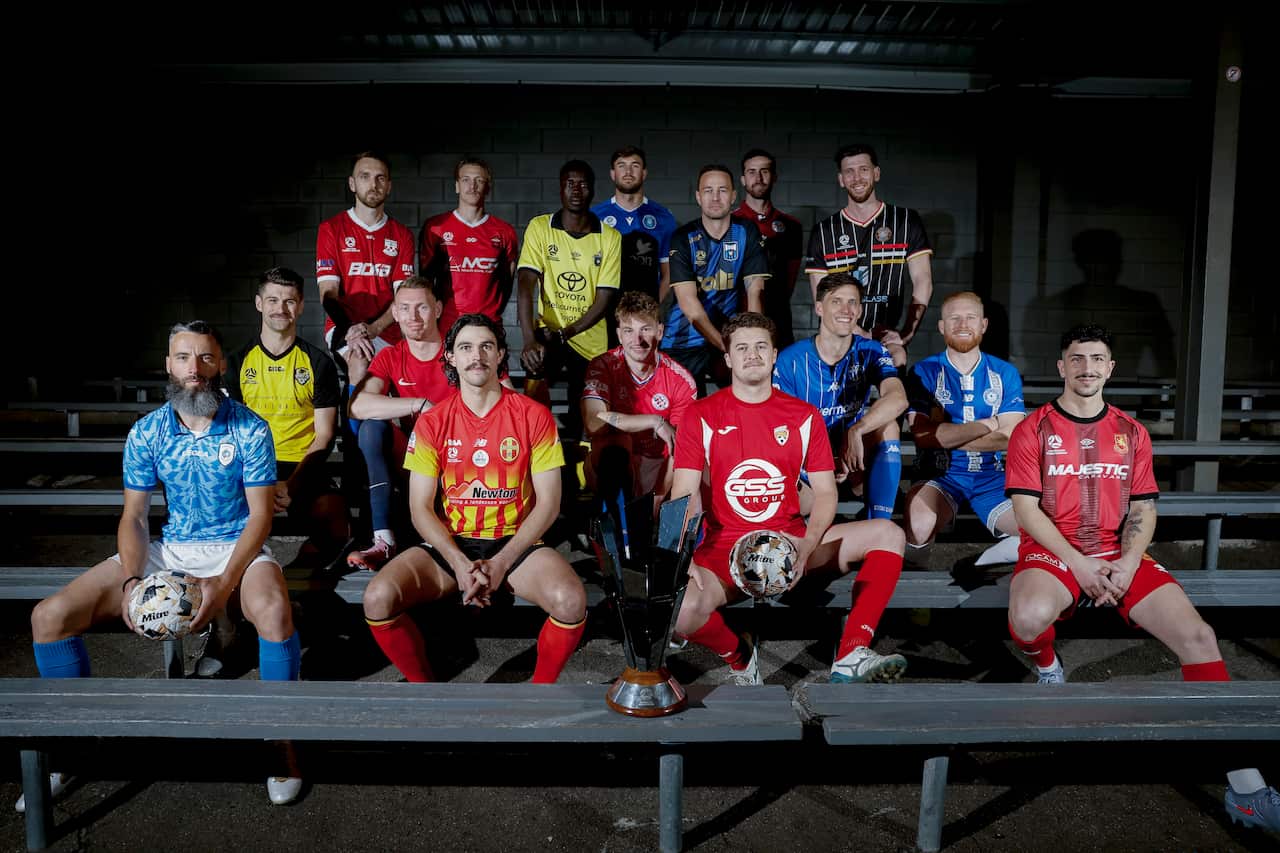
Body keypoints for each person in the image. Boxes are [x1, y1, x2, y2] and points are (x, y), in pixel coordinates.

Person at [1005, 323, 1277, 831]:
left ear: (1111, 368)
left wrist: (1128, 563)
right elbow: (1026, 510)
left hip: (1119, 551)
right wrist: (1081, 566)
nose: (1088, 367)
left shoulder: (1132, 432)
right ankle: (1048, 666)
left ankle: (1247, 789)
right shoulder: (1033, 428)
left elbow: (1145, 509)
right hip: (1056, 552)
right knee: (1027, 618)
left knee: (1199, 637)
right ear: (1062, 367)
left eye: (1098, 359)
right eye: (1077, 358)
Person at [22, 321, 302, 808]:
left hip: (236, 544)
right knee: (49, 617)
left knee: (275, 615)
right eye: (183, 358)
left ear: (221, 364)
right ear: (167, 366)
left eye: (206, 358)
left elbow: (260, 516)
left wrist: (221, 585)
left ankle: (281, 747)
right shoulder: (147, 431)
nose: (194, 370)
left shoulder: (250, 427)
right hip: (168, 548)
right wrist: (133, 580)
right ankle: (73, 748)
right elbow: (133, 516)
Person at [670, 312, 908, 685]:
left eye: (761, 346)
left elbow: (826, 494)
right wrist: (680, 557)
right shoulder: (700, 415)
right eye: (742, 348)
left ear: (775, 354)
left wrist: (806, 544)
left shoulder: (802, 415)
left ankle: (851, 652)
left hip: (792, 539)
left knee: (889, 534)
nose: (752, 355)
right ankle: (740, 656)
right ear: (728, 358)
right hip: (725, 547)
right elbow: (682, 496)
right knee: (682, 612)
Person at [361, 314, 587, 684]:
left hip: (514, 543)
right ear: (450, 357)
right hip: (453, 543)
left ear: (501, 354)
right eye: (465, 347)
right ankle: (424, 690)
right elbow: (419, 508)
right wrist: (459, 561)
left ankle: (539, 691)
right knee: (377, 597)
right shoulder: (433, 421)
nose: (476, 356)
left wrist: (500, 563)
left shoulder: (534, 415)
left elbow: (549, 505)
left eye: (486, 346)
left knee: (571, 601)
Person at [226, 267, 347, 569]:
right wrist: (260, 483)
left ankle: (299, 578)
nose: (281, 309)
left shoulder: (318, 363)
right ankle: (240, 581)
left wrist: (290, 487)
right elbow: (231, 431)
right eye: (272, 300)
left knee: (333, 517)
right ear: (258, 303)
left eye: (289, 301)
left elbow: (324, 435)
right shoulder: (237, 361)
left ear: (301, 306)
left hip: (303, 463)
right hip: (253, 463)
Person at [902, 292, 1025, 563]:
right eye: (954, 318)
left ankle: (983, 564)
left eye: (970, 318)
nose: (962, 324)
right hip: (939, 475)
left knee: (1039, 531)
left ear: (983, 325)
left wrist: (946, 435)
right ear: (942, 326)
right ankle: (916, 600)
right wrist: (987, 424)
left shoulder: (1005, 373)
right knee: (919, 526)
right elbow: (924, 436)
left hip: (991, 477)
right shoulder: (924, 371)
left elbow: (1008, 437)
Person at [773, 273, 907, 521]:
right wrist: (821, 461)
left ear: (859, 311)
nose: (846, 310)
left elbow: (898, 398)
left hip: (852, 453)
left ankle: (876, 526)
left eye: (853, 302)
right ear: (819, 308)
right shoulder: (790, 360)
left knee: (888, 427)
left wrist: (857, 429)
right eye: (837, 302)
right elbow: (781, 428)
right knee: (802, 507)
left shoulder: (871, 350)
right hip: (806, 459)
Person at [346, 277, 456, 571]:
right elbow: (357, 406)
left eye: (422, 307)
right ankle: (384, 539)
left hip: (457, 456)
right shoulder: (391, 356)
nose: (413, 317)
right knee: (372, 428)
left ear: (438, 309)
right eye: (405, 308)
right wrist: (417, 404)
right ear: (394, 313)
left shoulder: (457, 352)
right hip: (413, 457)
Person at [517, 159, 622, 438]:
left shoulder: (609, 237)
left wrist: (567, 333)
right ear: (560, 188)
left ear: (593, 190)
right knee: (532, 398)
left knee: (586, 420)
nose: (576, 190)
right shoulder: (540, 227)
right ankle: (535, 452)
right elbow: (525, 285)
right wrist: (529, 339)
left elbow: (605, 298)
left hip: (588, 340)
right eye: (570, 184)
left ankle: (584, 476)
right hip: (549, 334)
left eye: (583, 184)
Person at [805, 143, 933, 367]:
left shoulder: (905, 220)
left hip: (887, 335)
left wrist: (906, 333)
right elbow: (820, 293)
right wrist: (858, 332)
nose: (857, 177)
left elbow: (923, 281)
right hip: (839, 336)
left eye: (864, 169)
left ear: (876, 173)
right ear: (841, 179)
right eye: (849, 171)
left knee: (897, 360)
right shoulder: (824, 231)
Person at [661, 164, 769, 394]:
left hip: (728, 332)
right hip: (683, 338)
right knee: (686, 412)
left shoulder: (747, 231)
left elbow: (755, 290)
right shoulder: (683, 238)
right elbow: (690, 306)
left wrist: (750, 339)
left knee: (745, 398)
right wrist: (725, 345)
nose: (715, 197)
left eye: (722, 190)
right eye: (708, 190)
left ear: (733, 196)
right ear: (698, 197)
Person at [581, 291, 697, 501]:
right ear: (619, 335)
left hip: (658, 466)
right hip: (612, 462)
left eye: (645, 329)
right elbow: (593, 423)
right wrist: (654, 421)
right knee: (616, 447)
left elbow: (681, 449)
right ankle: (612, 524)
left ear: (660, 332)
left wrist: (657, 500)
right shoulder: (603, 365)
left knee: (685, 448)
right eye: (628, 330)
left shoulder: (681, 380)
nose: (637, 340)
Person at [315, 151, 416, 388]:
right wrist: (352, 329)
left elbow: (404, 298)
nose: (373, 184)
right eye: (365, 176)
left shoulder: (401, 235)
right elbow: (328, 293)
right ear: (352, 183)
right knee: (359, 362)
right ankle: (351, 422)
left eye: (380, 178)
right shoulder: (332, 229)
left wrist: (374, 328)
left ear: (389, 186)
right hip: (343, 326)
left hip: (385, 328)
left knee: (391, 383)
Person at [419, 157, 519, 335]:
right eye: (465, 180)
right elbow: (426, 280)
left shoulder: (504, 232)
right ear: (456, 186)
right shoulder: (436, 227)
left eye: (479, 180)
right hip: (447, 324)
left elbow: (507, 283)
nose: (472, 186)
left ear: (488, 187)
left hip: (489, 325)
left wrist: (492, 311)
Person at [590, 145, 678, 300]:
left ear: (644, 173)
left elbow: (668, 275)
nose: (628, 172)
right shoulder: (595, 216)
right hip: (605, 310)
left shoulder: (664, 218)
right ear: (612, 173)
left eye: (635, 166)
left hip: (646, 312)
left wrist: (654, 312)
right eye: (621, 166)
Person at [736, 148, 804, 347]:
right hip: (737, 318)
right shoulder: (729, 223)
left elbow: (789, 281)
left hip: (778, 320)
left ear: (774, 177)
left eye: (764, 171)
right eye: (751, 172)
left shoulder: (791, 226)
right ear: (743, 179)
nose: (758, 177)